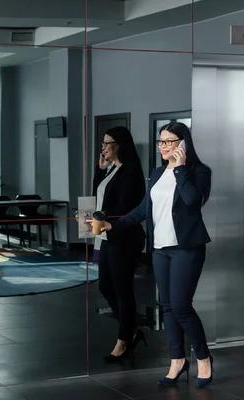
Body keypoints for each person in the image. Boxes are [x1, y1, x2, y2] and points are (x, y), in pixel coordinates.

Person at [93, 122, 214, 388]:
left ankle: (203, 358)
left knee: (182, 306)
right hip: (160, 249)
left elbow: (193, 201)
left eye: (169, 142)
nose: (163, 146)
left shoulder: (198, 171)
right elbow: (143, 209)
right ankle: (177, 361)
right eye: (161, 142)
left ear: (183, 144)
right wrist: (115, 224)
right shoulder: (157, 172)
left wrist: (180, 170)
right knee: (169, 307)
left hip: (186, 248)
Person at [91, 126, 146, 360]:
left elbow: (124, 208)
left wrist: (100, 216)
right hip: (106, 236)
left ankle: (124, 339)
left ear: (119, 144)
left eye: (107, 143)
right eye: (102, 144)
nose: (103, 148)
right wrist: (101, 170)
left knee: (122, 289)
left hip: (124, 237)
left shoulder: (130, 171)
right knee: (105, 285)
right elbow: (99, 195)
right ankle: (131, 329)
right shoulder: (112, 170)